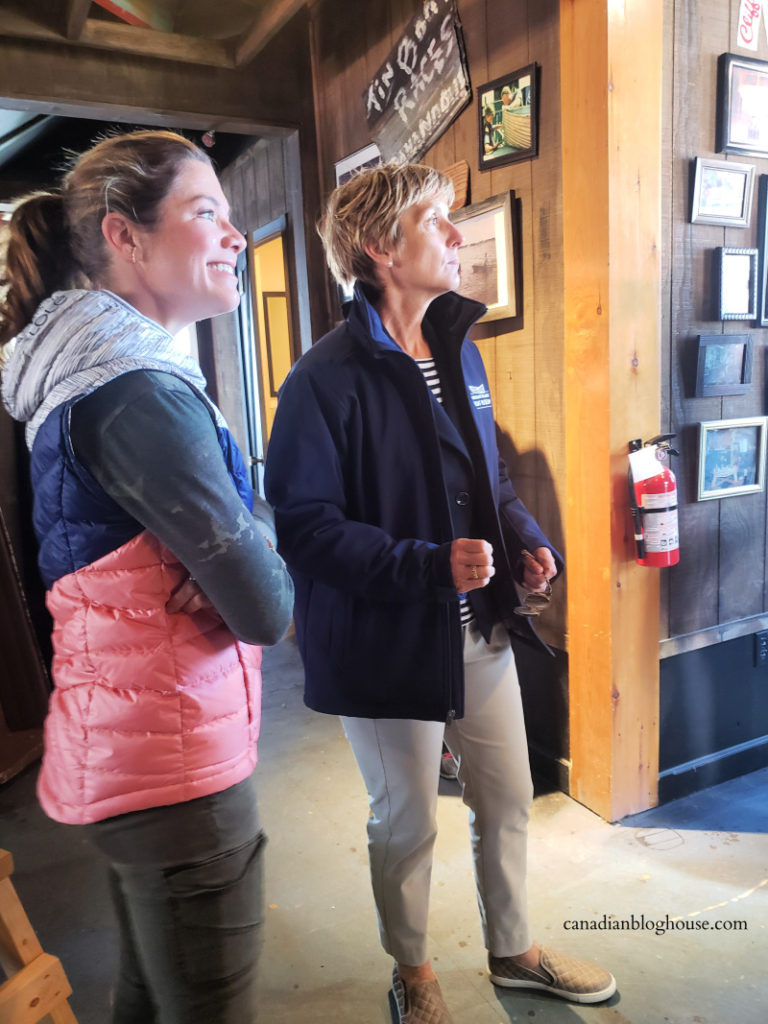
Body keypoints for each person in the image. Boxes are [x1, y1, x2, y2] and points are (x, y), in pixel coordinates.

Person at [264, 162, 616, 1023]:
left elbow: (488, 484)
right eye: (437, 220)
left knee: (507, 798)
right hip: (387, 644)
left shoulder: (461, 349)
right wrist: (428, 565)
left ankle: (513, 951)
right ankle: (414, 972)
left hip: (481, 631)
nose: (457, 236)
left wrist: (525, 541)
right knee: (406, 823)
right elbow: (303, 526)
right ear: (382, 246)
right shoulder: (322, 378)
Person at [0, 129, 294, 1023]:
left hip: (129, 740)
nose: (235, 236)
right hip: (177, 770)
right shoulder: (137, 390)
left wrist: (232, 549)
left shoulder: (81, 373)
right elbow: (268, 605)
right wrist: (247, 550)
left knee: (146, 996)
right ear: (125, 237)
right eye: (207, 212)